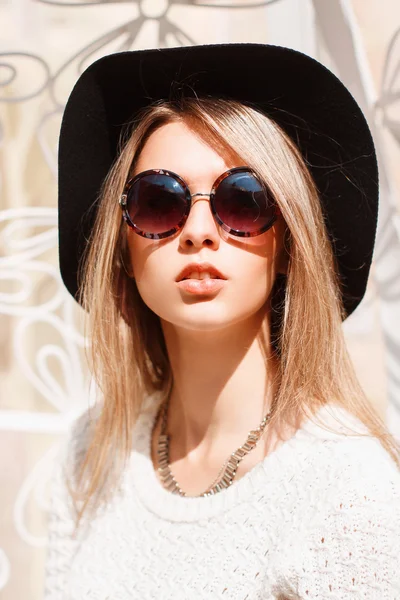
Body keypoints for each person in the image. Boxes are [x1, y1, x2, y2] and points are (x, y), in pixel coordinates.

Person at [44, 44, 400, 599]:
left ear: (288, 240)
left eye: (244, 200)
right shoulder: (88, 454)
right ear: (122, 250)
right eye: (158, 202)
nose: (200, 231)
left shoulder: (349, 493)